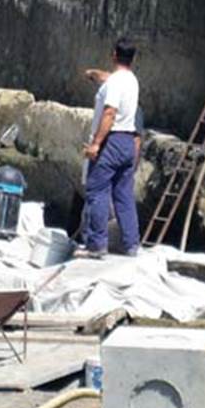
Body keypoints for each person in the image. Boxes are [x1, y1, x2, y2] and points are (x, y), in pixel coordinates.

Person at [81, 38, 141, 256]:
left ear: (114, 54)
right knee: (123, 194)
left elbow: (109, 113)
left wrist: (96, 144)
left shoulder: (115, 83)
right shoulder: (131, 80)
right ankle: (131, 244)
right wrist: (95, 74)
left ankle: (96, 245)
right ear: (133, 58)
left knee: (97, 190)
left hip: (112, 141)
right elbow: (110, 78)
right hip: (128, 141)